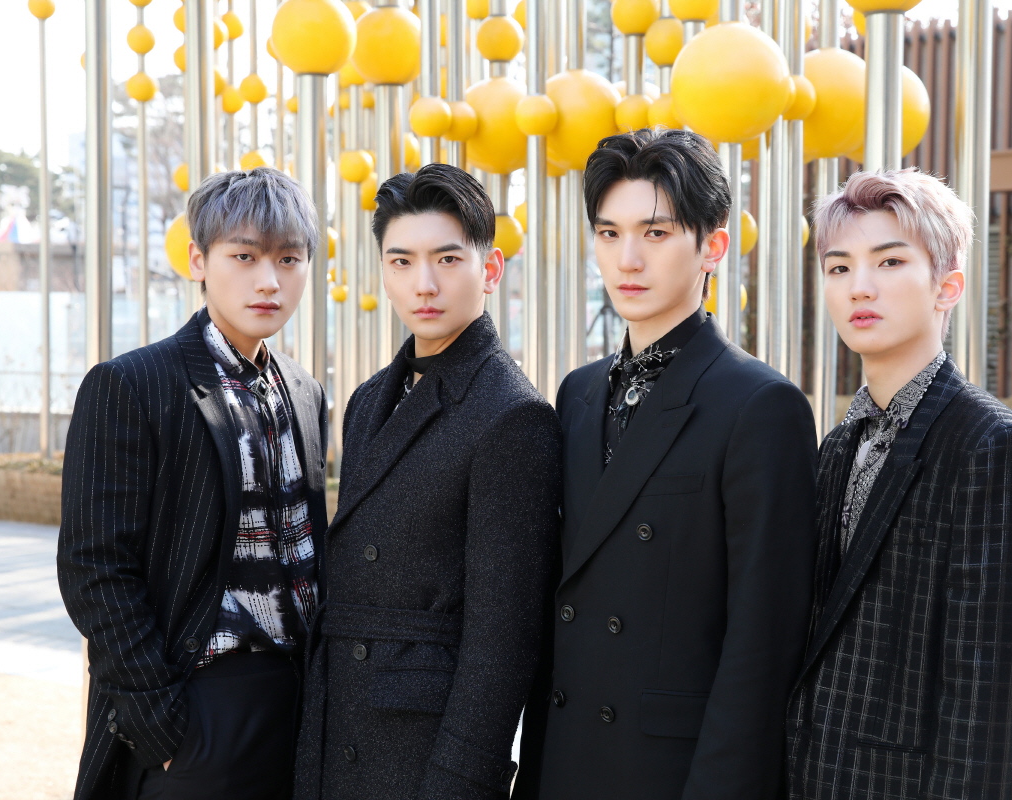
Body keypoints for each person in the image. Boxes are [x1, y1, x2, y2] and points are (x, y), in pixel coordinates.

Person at [513, 128, 818, 800]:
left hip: (669, 772)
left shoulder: (762, 405)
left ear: (713, 246)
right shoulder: (578, 392)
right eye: (609, 233)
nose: (628, 259)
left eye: (655, 233)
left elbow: (763, 645)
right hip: (567, 759)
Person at [785, 168, 1012, 799]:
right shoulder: (839, 444)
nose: (859, 286)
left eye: (889, 262)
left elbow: (995, 705)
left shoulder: (994, 446)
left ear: (947, 287)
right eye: (838, 267)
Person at [293, 163, 562, 800]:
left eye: (447, 259)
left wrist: (460, 781)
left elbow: (504, 639)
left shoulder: (512, 415)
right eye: (402, 261)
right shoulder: (367, 400)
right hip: (339, 722)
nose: (424, 284)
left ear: (490, 268)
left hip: (421, 752)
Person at [57, 167, 328, 800]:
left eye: (289, 259)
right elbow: (94, 566)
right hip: (198, 705)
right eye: (245, 256)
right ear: (198, 261)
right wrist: (161, 724)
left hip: (300, 707)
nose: (269, 280)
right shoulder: (132, 384)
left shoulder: (305, 390)